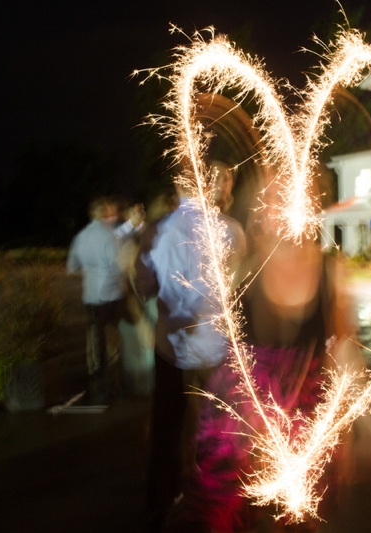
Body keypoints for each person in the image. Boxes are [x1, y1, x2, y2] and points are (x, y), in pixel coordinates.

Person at [183, 201, 371, 532]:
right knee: (229, 516)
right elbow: (213, 342)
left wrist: (368, 426)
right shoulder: (244, 266)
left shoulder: (329, 270)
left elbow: (344, 346)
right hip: (242, 422)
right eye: (270, 196)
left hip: (304, 422)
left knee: (298, 515)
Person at [134, 163, 245, 532]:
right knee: (219, 423)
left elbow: (145, 287)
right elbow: (239, 285)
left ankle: (158, 504)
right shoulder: (229, 231)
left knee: (167, 426)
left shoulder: (155, 232)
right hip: (214, 344)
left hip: (171, 344)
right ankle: (218, 501)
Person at [66, 196, 125, 399]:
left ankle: (96, 370)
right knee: (111, 333)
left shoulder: (80, 237)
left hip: (90, 294)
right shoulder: (111, 235)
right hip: (111, 294)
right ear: (105, 213)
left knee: (94, 333)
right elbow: (118, 266)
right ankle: (113, 374)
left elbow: (72, 266)